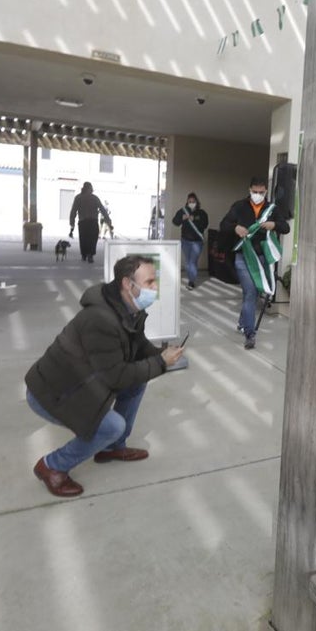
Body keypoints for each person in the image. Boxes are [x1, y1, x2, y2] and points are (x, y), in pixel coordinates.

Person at [25, 255, 184, 497]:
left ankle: (112, 448)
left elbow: (138, 347)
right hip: (53, 393)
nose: (155, 288)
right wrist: (160, 363)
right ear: (127, 284)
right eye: (150, 282)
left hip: (80, 383)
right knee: (112, 426)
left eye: (155, 281)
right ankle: (51, 466)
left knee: (137, 382)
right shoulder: (100, 319)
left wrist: (162, 355)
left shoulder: (129, 309)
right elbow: (116, 377)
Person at [221, 177, 290, 350]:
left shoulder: (271, 209)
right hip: (244, 256)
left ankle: (242, 320)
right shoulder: (239, 206)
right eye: (255, 192)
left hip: (262, 257)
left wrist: (273, 224)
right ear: (249, 190)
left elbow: (285, 227)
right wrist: (236, 228)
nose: (258, 195)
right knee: (251, 292)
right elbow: (224, 224)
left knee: (252, 292)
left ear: (266, 192)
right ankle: (250, 334)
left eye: (261, 192)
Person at [172, 192, 209, 290]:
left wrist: (194, 220)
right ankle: (191, 277)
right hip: (185, 241)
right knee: (188, 262)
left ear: (197, 202)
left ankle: (191, 281)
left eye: (193, 201)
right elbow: (175, 222)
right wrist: (181, 218)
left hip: (197, 242)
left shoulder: (201, 213)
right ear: (187, 202)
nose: (191, 203)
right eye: (189, 201)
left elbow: (205, 224)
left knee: (192, 262)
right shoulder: (183, 211)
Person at [69, 181, 113, 263]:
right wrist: (109, 222)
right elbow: (103, 210)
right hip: (93, 222)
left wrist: (72, 224)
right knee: (92, 239)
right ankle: (90, 255)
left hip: (83, 222)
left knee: (83, 239)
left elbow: (73, 211)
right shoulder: (94, 198)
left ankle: (84, 255)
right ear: (89, 189)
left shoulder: (78, 198)